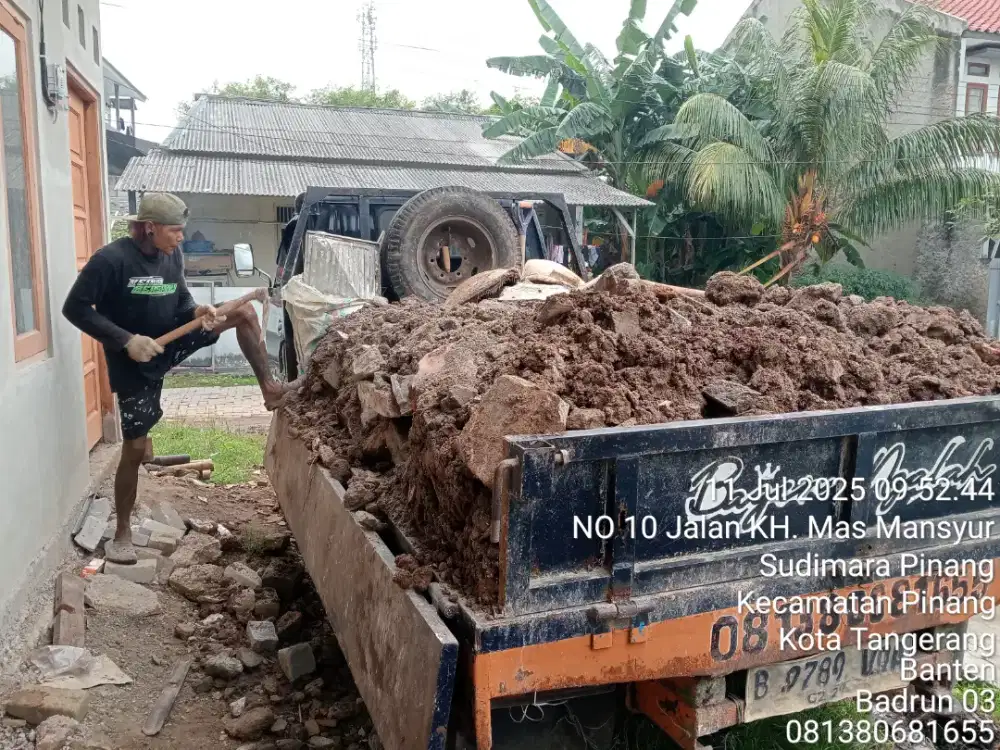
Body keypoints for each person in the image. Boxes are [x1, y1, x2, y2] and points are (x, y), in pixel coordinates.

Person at [63, 192, 292, 564]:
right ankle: (122, 531)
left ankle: (270, 388)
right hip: (133, 359)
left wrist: (199, 310)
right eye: (176, 231)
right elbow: (74, 308)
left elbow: (181, 299)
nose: (182, 238)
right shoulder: (110, 260)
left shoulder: (172, 254)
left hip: (172, 337)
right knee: (134, 449)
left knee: (245, 312)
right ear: (149, 228)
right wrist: (126, 340)